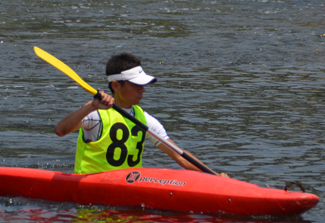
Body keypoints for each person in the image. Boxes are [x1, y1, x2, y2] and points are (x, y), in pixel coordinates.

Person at [54, 53, 224, 176]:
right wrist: (91, 107)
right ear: (116, 86)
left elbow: (179, 155)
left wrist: (214, 177)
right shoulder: (96, 113)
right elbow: (61, 130)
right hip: (91, 190)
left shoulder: (145, 120)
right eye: (136, 85)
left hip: (127, 187)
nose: (142, 90)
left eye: (143, 85)